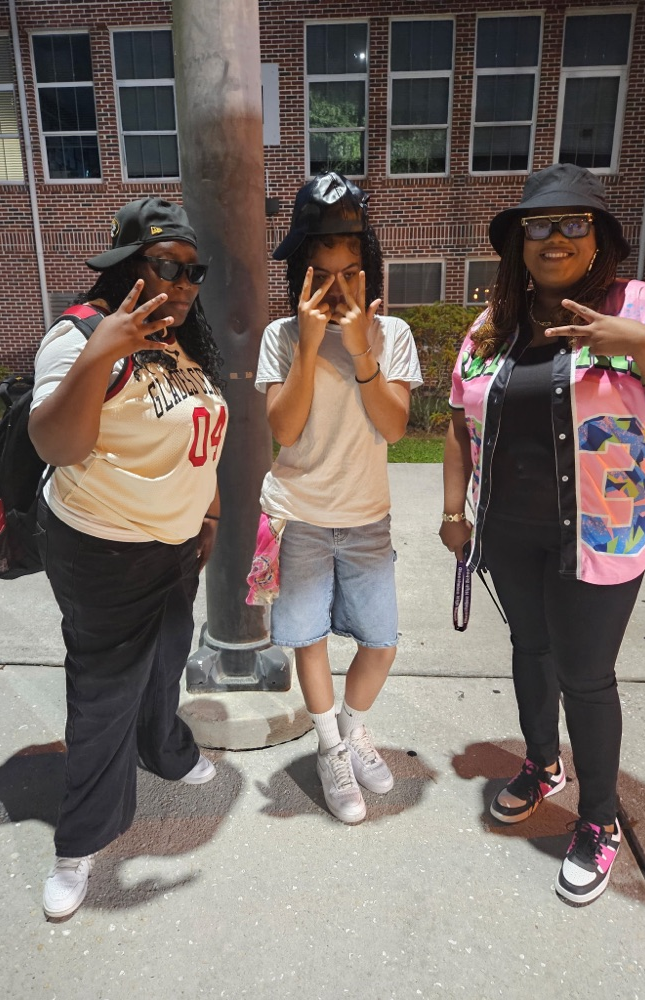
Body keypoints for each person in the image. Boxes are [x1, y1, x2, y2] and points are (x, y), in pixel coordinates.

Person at [440, 163, 645, 905]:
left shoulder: (642, 307)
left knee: (585, 676)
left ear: (599, 237)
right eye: (538, 225)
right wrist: (455, 512)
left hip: (600, 532)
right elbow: (457, 422)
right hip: (509, 530)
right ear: (518, 243)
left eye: (572, 223)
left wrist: (640, 344)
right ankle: (542, 763)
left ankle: (598, 820)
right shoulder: (494, 326)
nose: (553, 238)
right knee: (530, 649)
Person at [29, 197, 228, 920]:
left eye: (194, 271)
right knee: (105, 695)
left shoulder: (180, 341)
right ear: (126, 267)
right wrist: (100, 353)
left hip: (173, 545)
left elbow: (198, 433)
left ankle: (165, 749)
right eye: (168, 266)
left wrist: (209, 512)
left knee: (167, 659)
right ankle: (80, 842)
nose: (184, 284)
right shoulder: (80, 334)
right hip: (103, 550)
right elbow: (55, 443)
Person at [255, 171, 422, 823]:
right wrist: (306, 344)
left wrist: (359, 351)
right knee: (310, 639)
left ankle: (351, 732)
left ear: (368, 270)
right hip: (298, 516)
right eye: (322, 275)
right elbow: (284, 429)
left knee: (381, 643)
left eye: (350, 273)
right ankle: (330, 749)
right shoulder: (280, 336)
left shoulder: (391, 335)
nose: (337, 288)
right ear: (301, 276)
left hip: (366, 519)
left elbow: (394, 427)